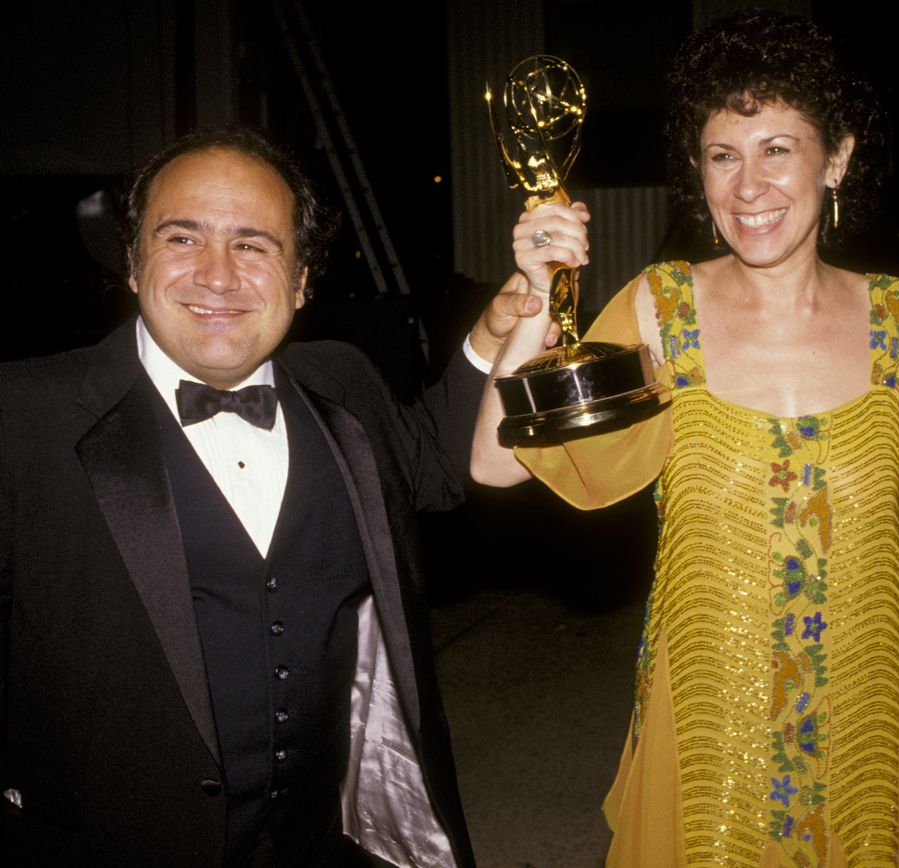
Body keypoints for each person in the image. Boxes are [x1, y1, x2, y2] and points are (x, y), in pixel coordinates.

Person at [472, 11, 899, 866]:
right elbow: (495, 463)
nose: (748, 185)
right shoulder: (664, 308)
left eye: (777, 149)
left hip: (864, 718)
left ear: (836, 158)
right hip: (706, 737)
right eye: (723, 155)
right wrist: (537, 295)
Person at [0, 127, 542, 867]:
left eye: (254, 245)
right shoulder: (23, 417)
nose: (217, 276)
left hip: (314, 843)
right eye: (183, 239)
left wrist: (493, 332)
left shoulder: (343, 382)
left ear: (302, 279)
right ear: (132, 263)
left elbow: (439, 463)